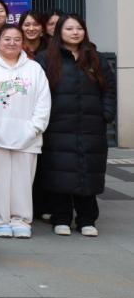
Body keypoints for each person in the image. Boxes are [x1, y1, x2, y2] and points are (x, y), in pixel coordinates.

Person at [37, 14, 116, 236]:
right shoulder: (46, 58)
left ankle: (87, 219)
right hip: (57, 125)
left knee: (88, 171)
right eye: (69, 28)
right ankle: (61, 217)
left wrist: (106, 114)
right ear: (59, 31)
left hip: (91, 125)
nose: (75, 32)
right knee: (59, 171)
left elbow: (109, 89)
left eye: (79, 28)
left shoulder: (96, 58)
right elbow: (38, 91)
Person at [0, 24, 51, 238]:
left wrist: (33, 128)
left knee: (23, 182)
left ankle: (21, 220)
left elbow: (43, 102)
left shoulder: (34, 68)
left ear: (22, 42)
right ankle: (0, 220)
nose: (12, 43)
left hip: (28, 137)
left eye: (17, 39)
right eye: (7, 39)